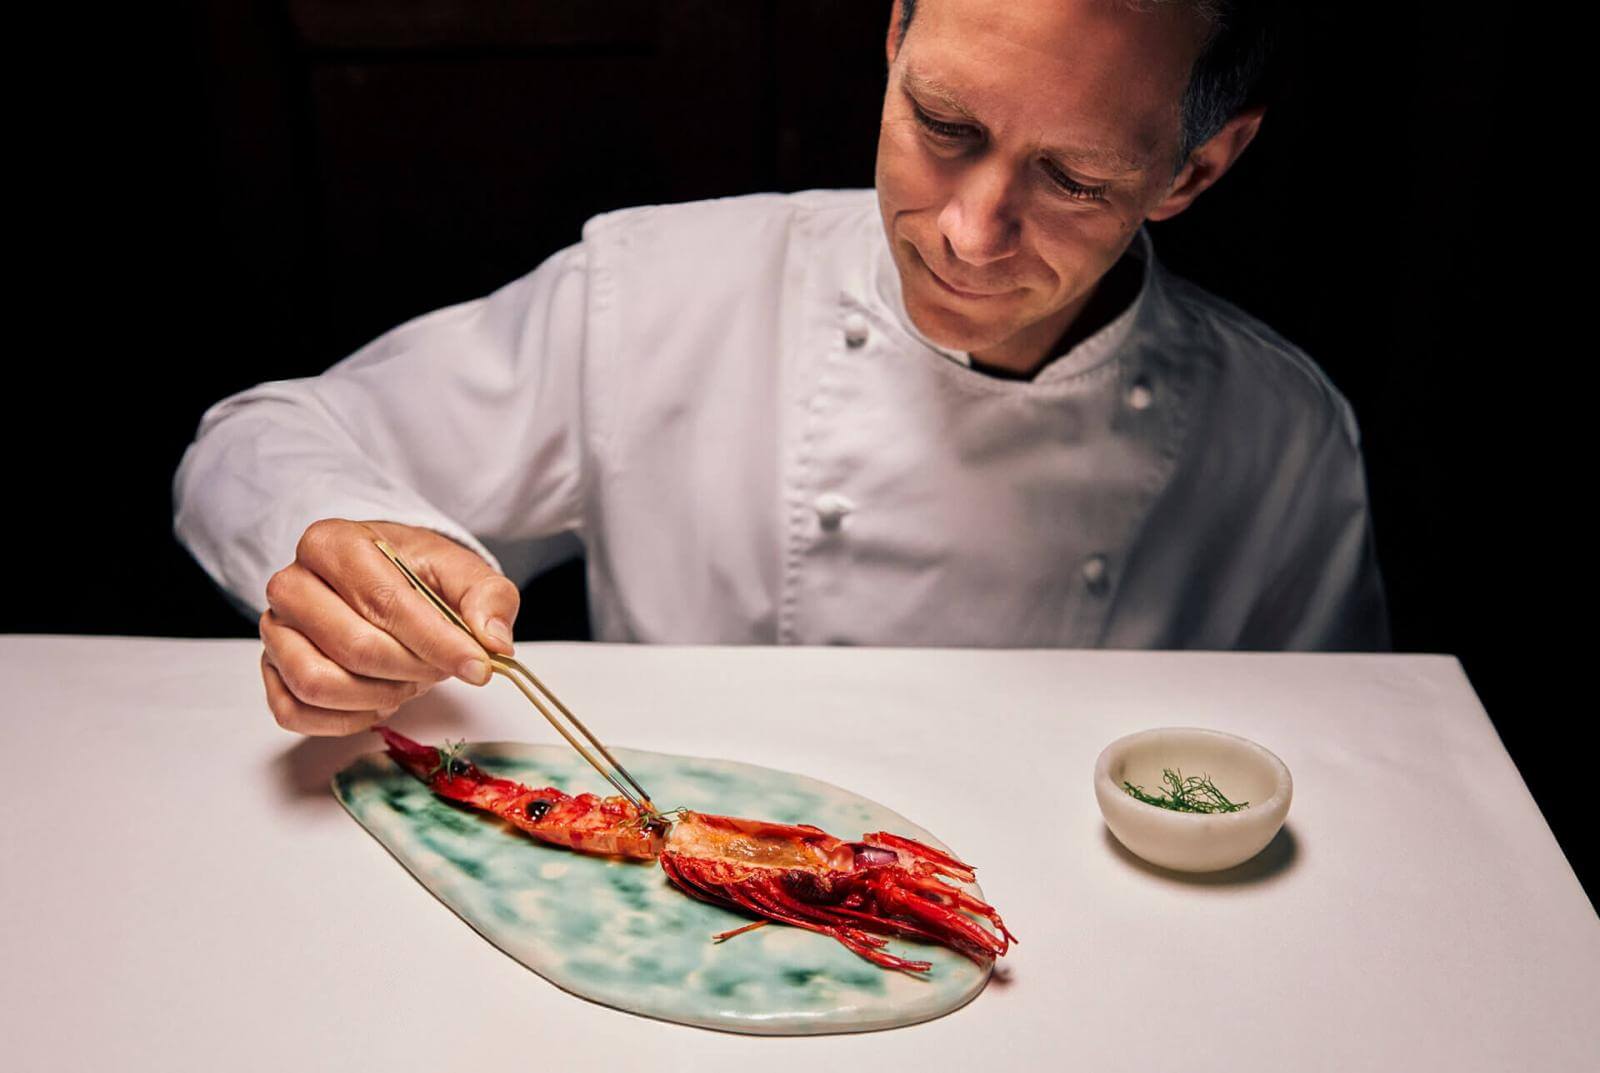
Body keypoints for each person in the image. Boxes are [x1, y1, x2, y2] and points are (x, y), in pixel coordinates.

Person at [175, 0, 1389, 736]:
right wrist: (355, 551)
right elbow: (251, 441)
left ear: (1195, 171)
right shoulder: (655, 291)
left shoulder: (1279, 434)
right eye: (943, 127)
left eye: (1071, 180)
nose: (969, 232)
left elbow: (1351, 764)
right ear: (895, 34)